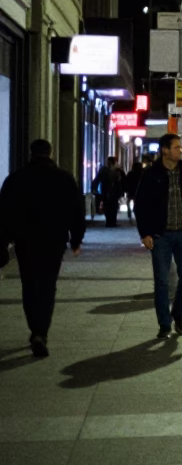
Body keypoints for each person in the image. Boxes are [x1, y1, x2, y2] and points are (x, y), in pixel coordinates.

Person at [0, 139, 86, 357]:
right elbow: (77, 210)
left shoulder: (16, 179)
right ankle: (41, 332)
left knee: (29, 284)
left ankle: (34, 328)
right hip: (53, 240)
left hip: (25, 240)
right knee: (48, 285)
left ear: (31, 154)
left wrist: (5, 240)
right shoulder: (64, 179)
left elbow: (4, 213)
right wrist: (76, 239)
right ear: (50, 152)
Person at [135, 133, 182, 338]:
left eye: (180, 147)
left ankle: (178, 312)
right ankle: (164, 324)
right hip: (160, 236)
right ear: (165, 150)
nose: (180, 150)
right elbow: (140, 205)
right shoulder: (151, 174)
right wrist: (145, 233)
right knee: (162, 281)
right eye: (176, 147)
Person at [92, 156, 125, 227]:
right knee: (108, 206)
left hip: (112, 191)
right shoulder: (105, 170)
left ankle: (112, 221)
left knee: (113, 206)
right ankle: (110, 221)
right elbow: (97, 179)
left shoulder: (116, 171)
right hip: (107, 190)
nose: (108, 163)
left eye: (109, 162)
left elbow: (121, 182)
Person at [123, 156, 147, 222]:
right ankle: (134, 210)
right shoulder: (142, 174)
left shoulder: (130, 173)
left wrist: (126, 189)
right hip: (138, 190)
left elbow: (126, 181)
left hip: (131, 190)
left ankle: (129, 210)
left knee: (128, 201)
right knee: (136, 202)